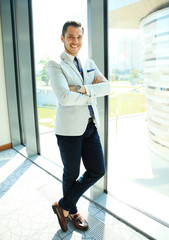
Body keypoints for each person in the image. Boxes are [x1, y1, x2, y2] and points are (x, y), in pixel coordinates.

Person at [48, 21, 111, 232]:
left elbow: (107, 86)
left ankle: (63, 205)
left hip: (91, 127)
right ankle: (73, 212)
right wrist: (91, 93)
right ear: (62, 38)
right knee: (71, 173)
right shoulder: (56, 65)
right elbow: (65, 97)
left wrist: (82, 89)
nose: (75, 41)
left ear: (82, 38)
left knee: (97, 170)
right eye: (71, 36)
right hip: (68, 131)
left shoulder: (89, 63)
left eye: (79, 37)